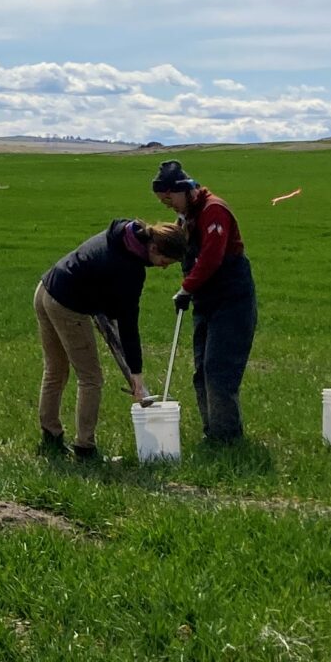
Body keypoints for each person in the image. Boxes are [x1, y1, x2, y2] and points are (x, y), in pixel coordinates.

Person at [35, 218, 177, 460]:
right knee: (91, 378)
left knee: (56, 370)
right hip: (66, 305)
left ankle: (51, 435)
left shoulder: (123, 234)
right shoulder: (131, 270)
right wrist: (137, 373)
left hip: (44, 289)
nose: (164, 267)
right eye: (165, 261)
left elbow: (108, 301)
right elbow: (128, 323)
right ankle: (85, 448)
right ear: (153, 249)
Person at [150, 159, 255, 442]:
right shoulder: (186, 216)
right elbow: (182, 248)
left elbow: (211, 257)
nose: (168, 204)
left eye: (170, 198)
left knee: (218, 370)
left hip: (231, 300)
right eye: (163, 201)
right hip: (205, 301)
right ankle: (213, 432)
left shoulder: (214, 211)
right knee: (202, 370)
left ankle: (227, 438)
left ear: (185, 189)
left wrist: (186, 289)